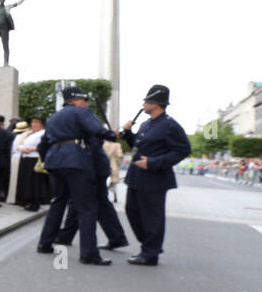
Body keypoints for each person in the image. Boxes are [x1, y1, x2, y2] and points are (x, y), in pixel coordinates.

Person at [35, 86, 117, 265]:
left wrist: (50, 159)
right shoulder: (81, 112)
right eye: (84, 100)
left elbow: (43, 145)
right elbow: (98, 130)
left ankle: (45, 243)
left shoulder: (54, 118)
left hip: (55, 161)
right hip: (77, 161)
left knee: (58, 202)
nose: (86, 103)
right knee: (87, 207)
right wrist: (112, 134)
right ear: (75, 101)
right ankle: (89, 253)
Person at [120, 84, 191, 266]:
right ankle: (150, 245)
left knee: (152, 217)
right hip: (137, 175)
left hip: (155, 178)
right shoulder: (146, 124)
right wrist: (127, 133)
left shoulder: (170, 126)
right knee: (132, 211)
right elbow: (138, 144)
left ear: (156, 104)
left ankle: (150, 253)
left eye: (146, 102)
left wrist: (153, 162)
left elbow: (182, 150)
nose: (143, 105)